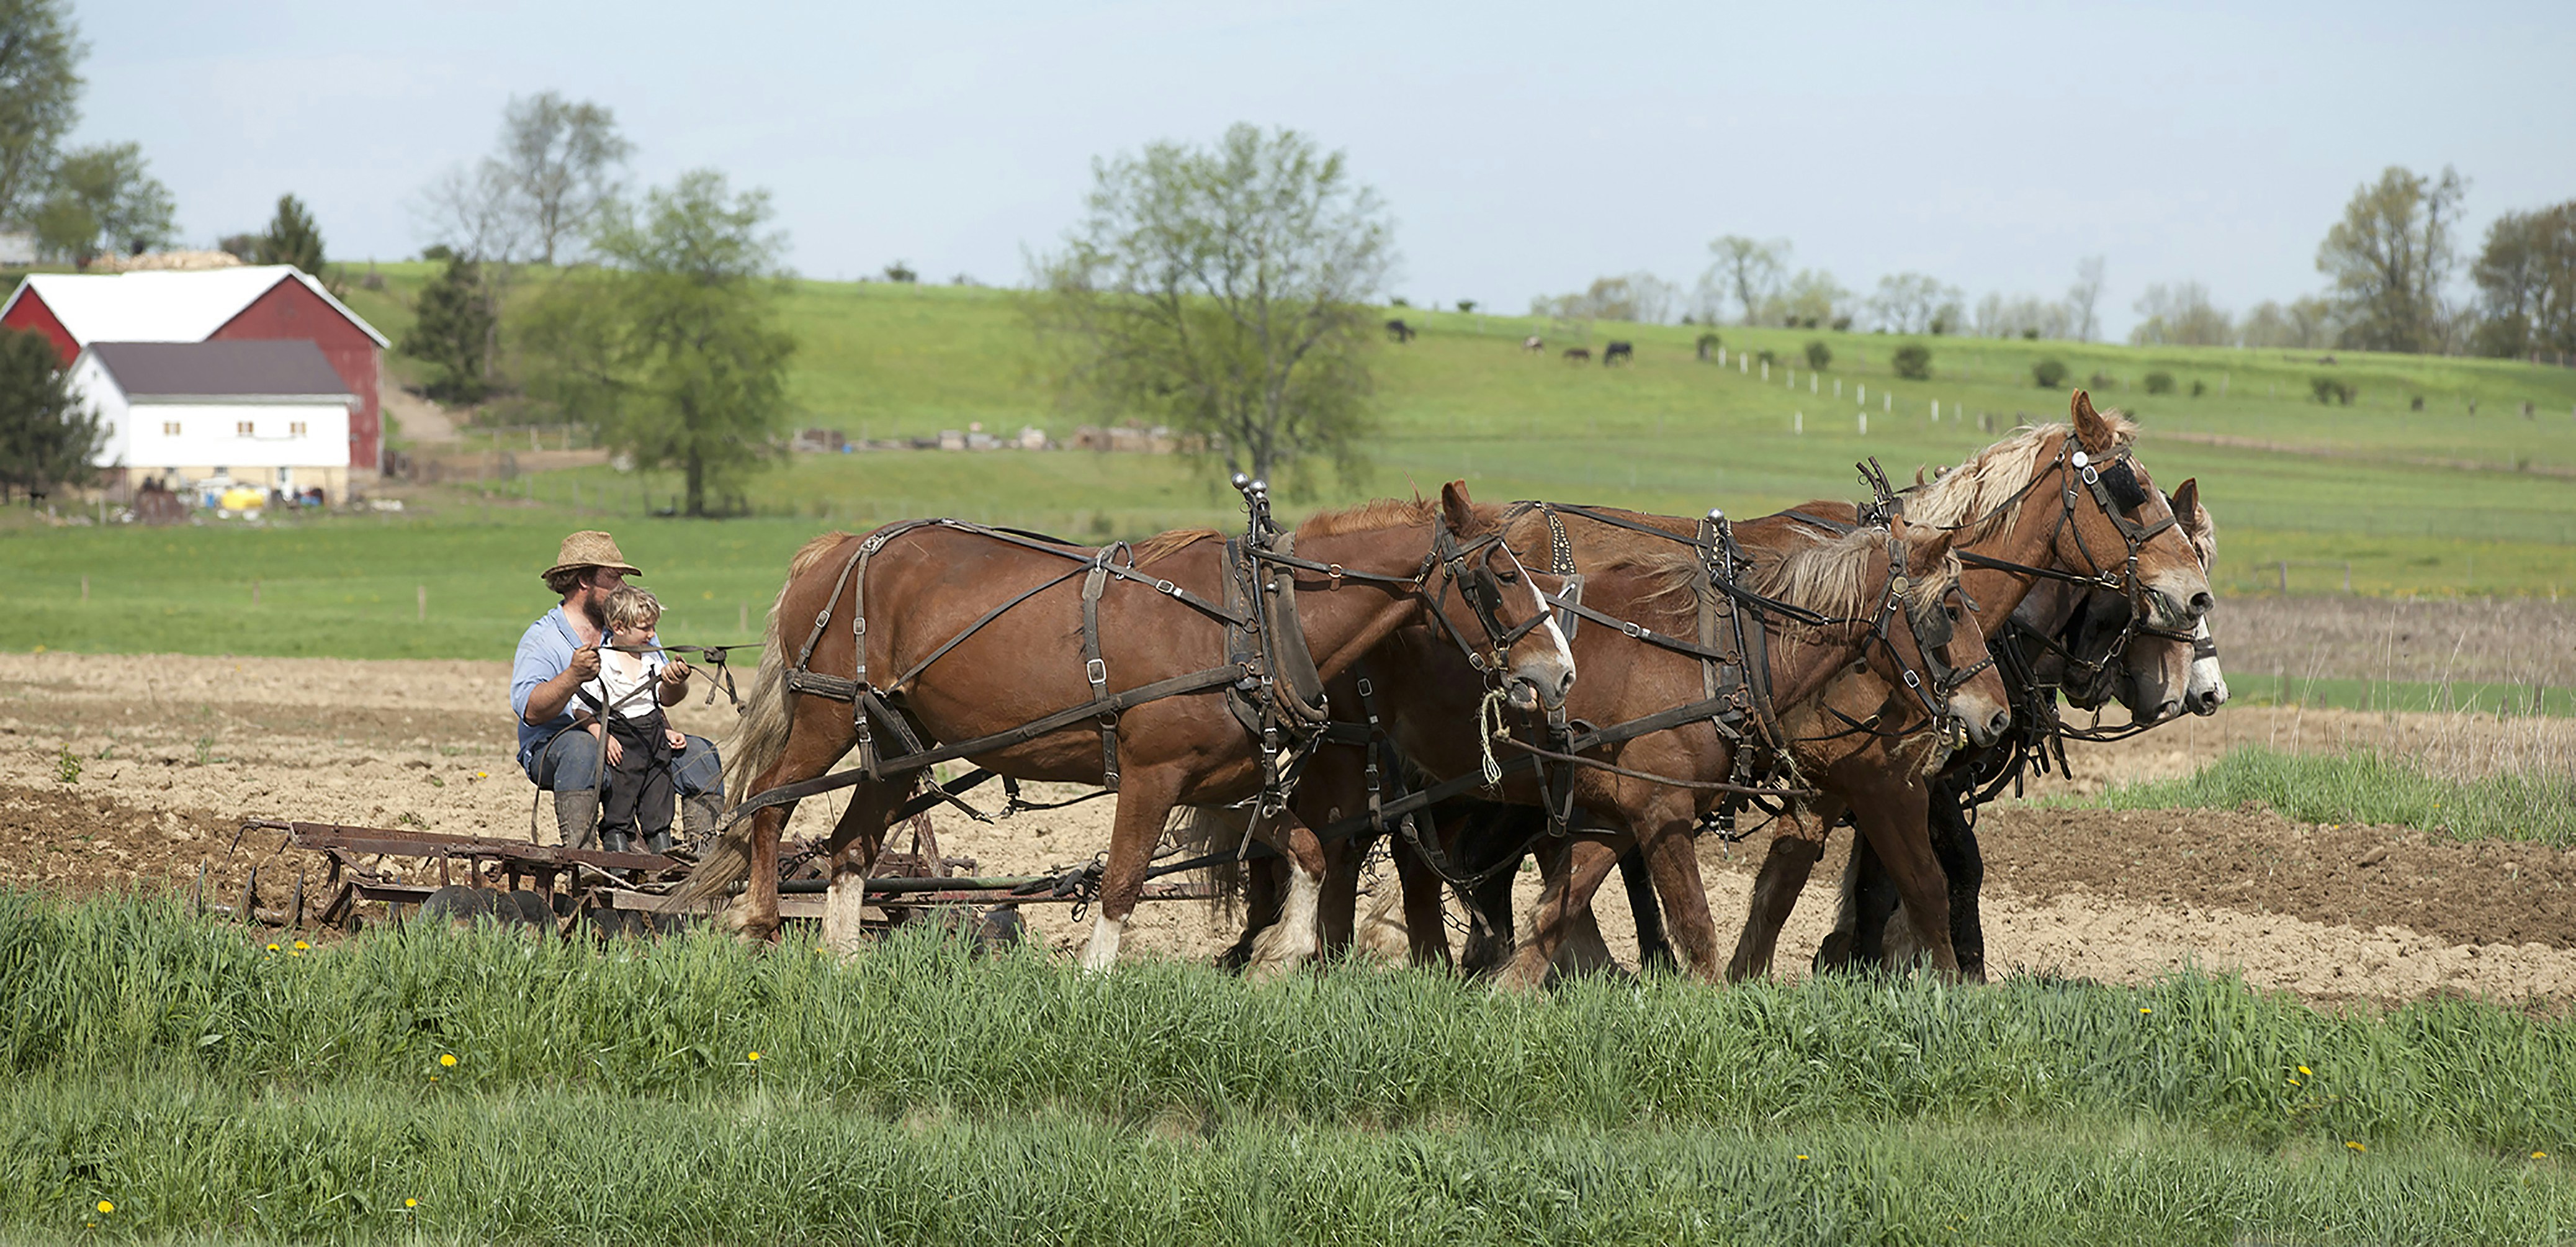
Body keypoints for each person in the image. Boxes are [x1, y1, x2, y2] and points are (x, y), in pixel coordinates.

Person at [511, 531, 724, 852]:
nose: (622, 587)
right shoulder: (543, 639)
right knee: (583, 749)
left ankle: (702, 861)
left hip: (634, 735)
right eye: (614, 577)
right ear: (584, 580)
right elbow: (531, 711)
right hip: (560, 745)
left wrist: (675, 681)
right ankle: (582, 859)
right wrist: (572, 676)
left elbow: (663, 698)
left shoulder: (630, 629)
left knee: (699, 755)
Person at [573, 587, 690, 855]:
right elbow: (581, 709)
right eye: (645, 628)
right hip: (621, 737)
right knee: (621, 793)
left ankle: (661, 841)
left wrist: (668, 730)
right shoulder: (602, 661)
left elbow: (657, 702)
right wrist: (602, 735)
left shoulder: (651, 657)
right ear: (619, 627)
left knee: (659, 788)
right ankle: (617, 843)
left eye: (653, 627)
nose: (652, 634)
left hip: (654, 734)